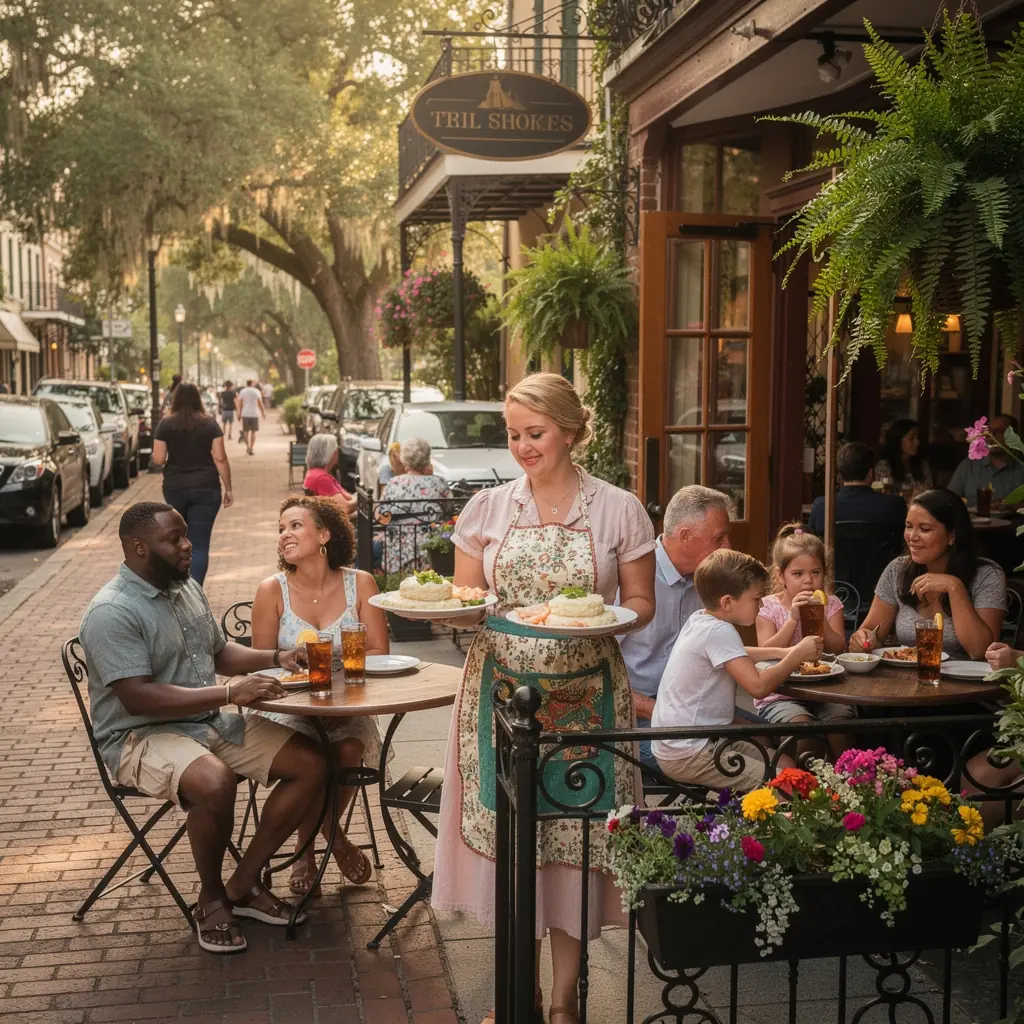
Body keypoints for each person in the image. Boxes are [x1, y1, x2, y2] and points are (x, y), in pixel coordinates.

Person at [432, 372, 656, 1024]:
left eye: (536, 433)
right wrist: (456, 612)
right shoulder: (488, 510)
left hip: (588, 694)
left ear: (570, 431)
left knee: (573, 848)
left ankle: (562, 1003)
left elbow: (641, 605)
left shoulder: (618, 509)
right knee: (514, 847)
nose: (523, 446)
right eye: (514, 435)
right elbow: (468, 601)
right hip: (501, 697)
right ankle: (518, 996)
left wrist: (600, 618)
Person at [79, 502, 326, 954]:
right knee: (214, 780)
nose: (188, 545)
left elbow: (219, 653)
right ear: (137, 548)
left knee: (311, 763)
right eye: (174, 539)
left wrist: (277, 658)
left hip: (206, 721)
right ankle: (210, 900)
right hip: (140, 736)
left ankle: (244, 884)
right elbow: (139, 696)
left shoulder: (185, 588)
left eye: (185, 535)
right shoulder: (111, 611)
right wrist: (230, 695)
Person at [250, 496, 389, 895]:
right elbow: (261, 665)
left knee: (346, 751)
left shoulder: (360, 583)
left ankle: (307, 842)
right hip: (289, 707)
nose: (284, 535)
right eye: (280, 529)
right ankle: (330, 839)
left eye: (295, 525)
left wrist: (339, 689)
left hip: (349, 703)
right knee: (311, 756)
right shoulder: (270, 590)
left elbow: (379, 653)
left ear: (325, 535)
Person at [652, 548, 820, 790]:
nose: (761, 605)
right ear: (728, 602)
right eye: (755, 598)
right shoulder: (719, 631)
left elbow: (737, 654)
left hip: (691, 740)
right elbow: (758, 687)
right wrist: (795, 655)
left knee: (785, 764)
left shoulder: (702, 619)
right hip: (690, 752)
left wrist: (781, 653)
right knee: (788, 784)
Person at [619, 485, 732, 768]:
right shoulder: (633, 578)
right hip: (636, 720)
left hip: (694, 712)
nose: (728, 546)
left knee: (771, 738)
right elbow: (600, 676)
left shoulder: (709, 579)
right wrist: (661, 711)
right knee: (735, 761)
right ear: (684, 537)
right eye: (719, 538)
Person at [850, 489, 1006, 659]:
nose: (912, 536)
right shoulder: (897, 570)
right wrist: (863, 640)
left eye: (924, 529)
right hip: (905, 679)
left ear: (952, 535)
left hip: (966, 682)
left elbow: (981, 651)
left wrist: (955, 587)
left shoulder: (987, 575)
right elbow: (872, 632)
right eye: (908, 526)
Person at [754, 524, 854, 754]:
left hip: (827, 690)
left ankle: (847, 783)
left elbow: (839, 647)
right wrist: (792, 620)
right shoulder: (768, 606)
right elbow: (765, 652)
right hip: (780, 694)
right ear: (781, 575)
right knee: (805, 731)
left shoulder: (831, 604)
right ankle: (803, 787)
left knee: (842, 724)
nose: (808, 581)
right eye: (798, 574)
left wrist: (820, 617)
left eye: (816, 573)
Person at [152, 383, 232, 586]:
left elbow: (159, 458)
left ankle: (178, 586)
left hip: (175, 487)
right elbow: (220, 458)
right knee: (200, 542)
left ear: (175, 400)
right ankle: (194, 591)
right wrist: (228, 488)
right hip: (207, 488)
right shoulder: (210, 424)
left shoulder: (165, 425)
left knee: (178, 539)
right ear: (198, 399)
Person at [376, 437, 452, 574]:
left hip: (399, 547)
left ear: (404, 459)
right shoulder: (439, 482)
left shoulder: (394, 483)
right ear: (427, 458)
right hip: (432, 547)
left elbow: (381, 514)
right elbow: (449, 509)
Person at [808, 442, 906, 536]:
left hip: (835, 554)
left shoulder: (822, 506)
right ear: (870, 474)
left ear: (840, 475)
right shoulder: (895, 505)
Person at [948, 414, 1024, 506]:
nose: (990, 436)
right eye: (989, 431)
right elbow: (949, 500)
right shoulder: (968, 466)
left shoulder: (1021, 467)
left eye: (998, 432)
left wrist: (1012, 505)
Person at [875, 418, 932, 497]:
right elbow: (882, 495)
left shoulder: (923, 465)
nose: (917, 442)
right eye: (911, 438)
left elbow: (930, 493)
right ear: (898, 440)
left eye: (918, 438)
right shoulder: (885, 466)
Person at [303, 434, 357, 516]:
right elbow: (345, 507)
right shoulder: (321, 478)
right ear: (334, 454)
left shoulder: (314, 473)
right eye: (337, 450)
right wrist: (361, 499)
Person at [236, 379, 265, 456]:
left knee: (245, 432)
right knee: (253, 432)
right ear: (252, 384)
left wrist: (239, 414)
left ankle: (247, 446)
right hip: (254, 414)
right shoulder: (256, 391)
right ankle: (251, 447)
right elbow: (260, 403)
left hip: (245, 413)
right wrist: (263, 413)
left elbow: (240, 404)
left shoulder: (242, 391)